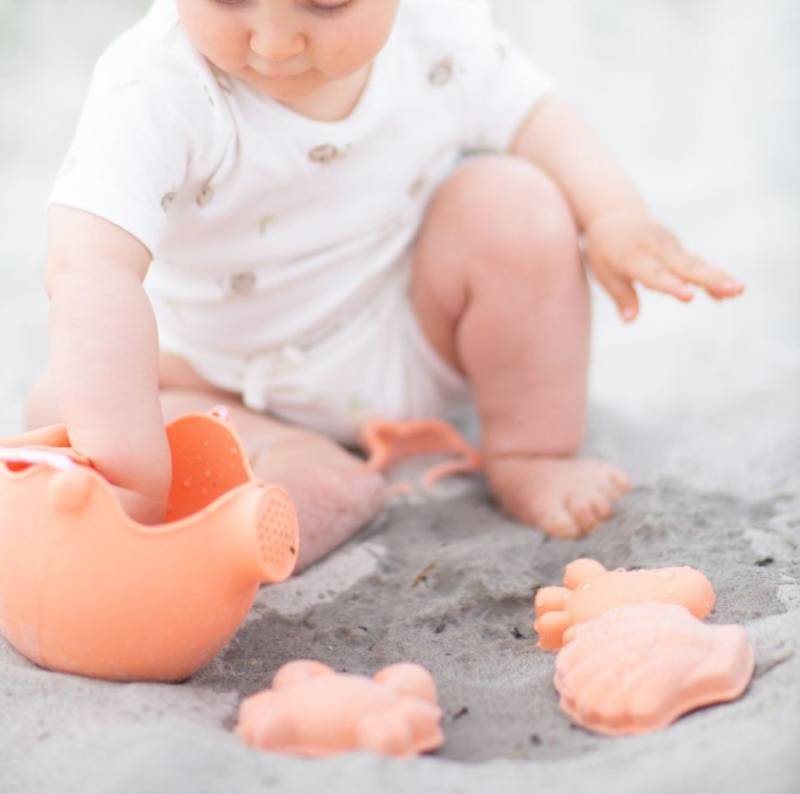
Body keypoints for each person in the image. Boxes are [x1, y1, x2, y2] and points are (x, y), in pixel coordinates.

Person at [25, 0, 744, 570]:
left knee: (515, 203)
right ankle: (291, 459)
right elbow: (92, 267)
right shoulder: (153, 84)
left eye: (326, 0)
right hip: (221, 375)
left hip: (404, 339)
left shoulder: (436, 32)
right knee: (62, 396)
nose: (273, 42)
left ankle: (532, 452)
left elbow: (537, 117)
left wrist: (615, 215)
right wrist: (132, 476)